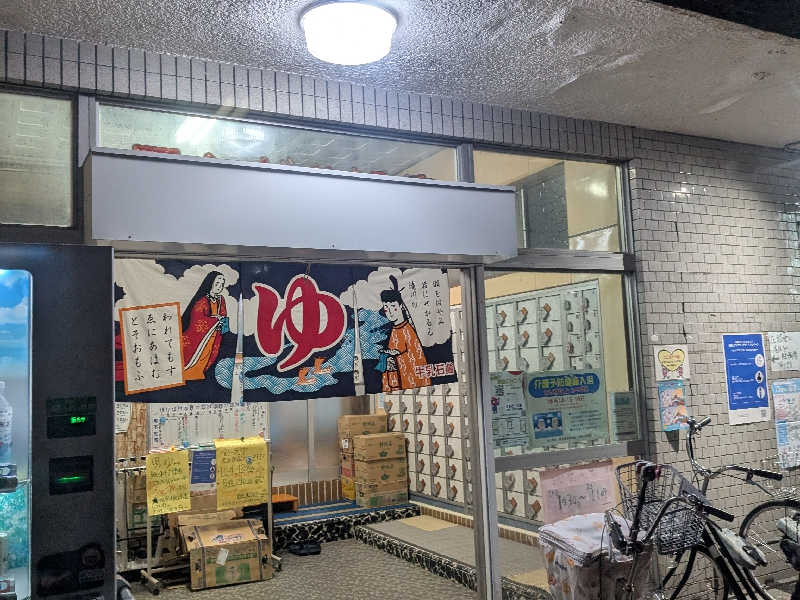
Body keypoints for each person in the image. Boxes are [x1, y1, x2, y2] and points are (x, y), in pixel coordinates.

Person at [378, 275, 431, 391]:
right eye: (386, 307)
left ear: (401, 306)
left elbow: (401, 350)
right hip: (397, 379)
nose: (390, 311)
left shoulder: (406, 329)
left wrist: (389, 353)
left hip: (408, 379)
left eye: (393, 306)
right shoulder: (395, 329)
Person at [182, 271, 228, 381]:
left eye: (222, 284)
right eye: (217, 283)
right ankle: (190, 373)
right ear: (210, 283)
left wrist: (223, 324)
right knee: (199, 354)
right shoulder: (202, 301)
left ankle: (200, 373)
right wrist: (215, 319)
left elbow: (224, 315)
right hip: (202, 337)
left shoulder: (221, 300)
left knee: (209, 354)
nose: (219, 287)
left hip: (214, 334)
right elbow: (197, 319)